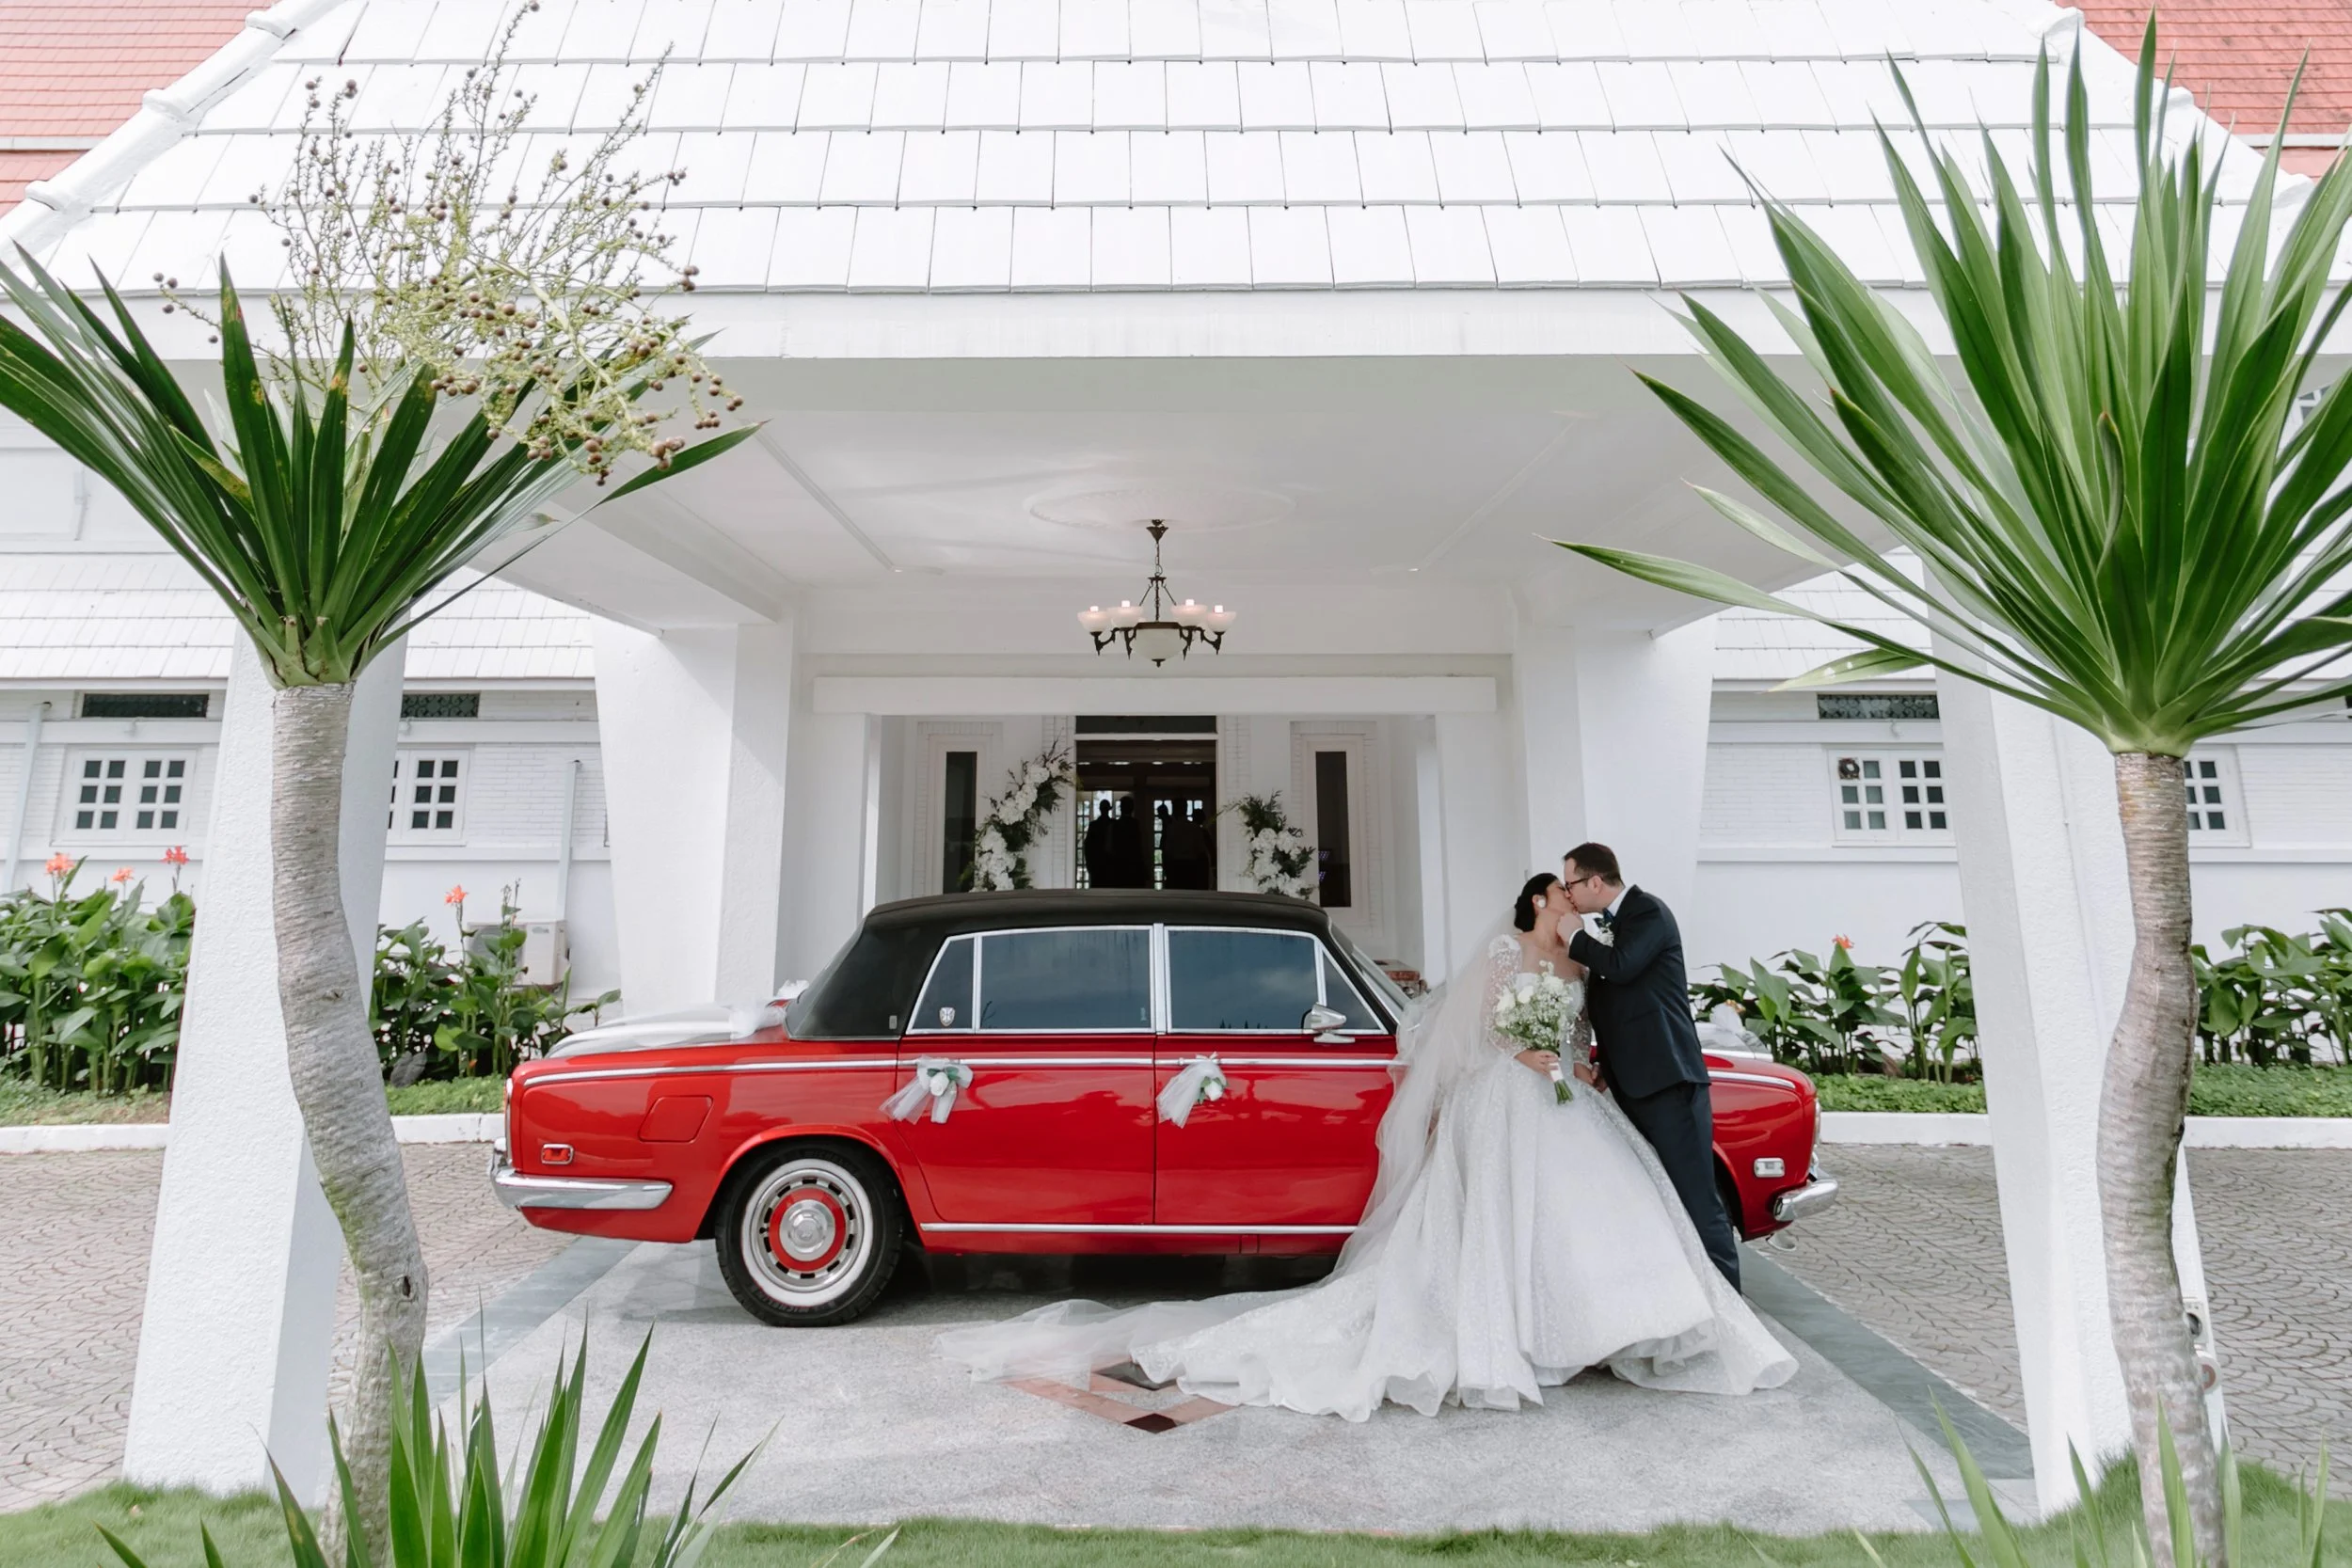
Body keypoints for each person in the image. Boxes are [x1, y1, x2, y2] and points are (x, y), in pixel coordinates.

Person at [936, 874, 1795, 1418]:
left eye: (1580, 891)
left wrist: (1568, 1061)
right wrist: (1532, 1053)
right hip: (1516, 1091)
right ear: (1544, 899)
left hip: (1556, 1092)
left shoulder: (1571, 958)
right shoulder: (1511, 955)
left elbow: (1557, 1016)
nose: (1573, 902)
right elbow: (1495, 1029)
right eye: (1564, 892)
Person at [1561, 842, 1742, 1290]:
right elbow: (1619, 1006)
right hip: (1631, 1083)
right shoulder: (1612, 926)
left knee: (1698, 1201)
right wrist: (1605, 1061)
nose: (1569, 896)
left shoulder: (1648, 913)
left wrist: (1574, 937)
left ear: (1595, 881)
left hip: (1669, 1083)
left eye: (1571, 885)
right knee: (1653, 1200)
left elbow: (1622, 967)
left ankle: (1730, 1307)